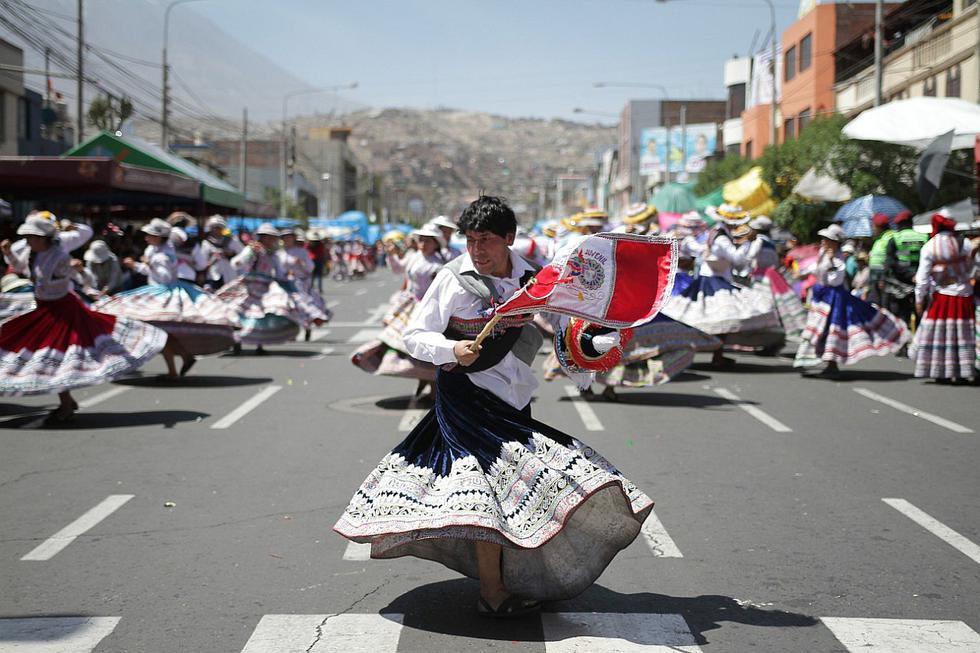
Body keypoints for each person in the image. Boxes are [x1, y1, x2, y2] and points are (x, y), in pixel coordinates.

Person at [335, 196, 655, 616]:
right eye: (470, 240)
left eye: (485, 240)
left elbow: (566, 328)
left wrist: (595, 342)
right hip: (465, 397)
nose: (477, 250)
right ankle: (492, 592)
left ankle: (516, 577)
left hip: (514, 398)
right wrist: (452, 348)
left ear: (509, 238)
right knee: (485, 493)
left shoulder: (534, 279)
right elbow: (415, 335)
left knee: (518, 489)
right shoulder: (452, 279)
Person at [0, 216, 166, 422]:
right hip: (45, 310)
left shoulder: (60, 256)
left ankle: (66, 404)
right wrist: (9, 254)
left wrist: (73, 271)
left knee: (57, 356)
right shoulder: (34, 254)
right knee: (37, 351)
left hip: (63, 311)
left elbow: (75, 282)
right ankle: (67, 401)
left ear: (42, 238)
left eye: (30, 237)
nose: (27, 241)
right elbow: (22, 269)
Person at [94, 218, 240, 379]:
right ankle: (181, 361)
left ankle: (175, 366)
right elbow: (152, 272)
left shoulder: (162, 256)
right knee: (161, 333)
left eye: (150, 235)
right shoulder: (156, 251)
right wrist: (137, 265)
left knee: (159, 333)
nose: (146, 237)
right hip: (160, 292)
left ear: (158, 237)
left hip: (163, 295)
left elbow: (164, 277)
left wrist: (146, 264)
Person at [661, 204, 781, 366]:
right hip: (714, 281)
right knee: (719, 317)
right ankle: (712, 353)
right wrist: (748, 243)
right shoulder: (721, 238)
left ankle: (716, 353)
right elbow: (737, 259)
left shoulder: (716, 233)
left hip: (716, 278)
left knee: (717, 318)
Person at [794, 224, 909, 377]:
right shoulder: (823, 254)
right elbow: (817, 269)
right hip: (822, 298)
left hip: (834, 299)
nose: (823, 241)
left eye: (826, 239)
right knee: (819, 328)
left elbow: (835, 280)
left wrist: (830, 262)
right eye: (823, 239)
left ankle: (831, 365)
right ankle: (820, 362)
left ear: (834, 243)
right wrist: (806, 272)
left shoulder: (839, 259)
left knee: (832, 330)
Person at [350, 225, 445, 395]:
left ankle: (432, 388)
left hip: (426, 308)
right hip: (409, 305)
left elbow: (439, 290)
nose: (423, 244)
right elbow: (399, 269)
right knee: (399, 340)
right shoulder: (414, 256)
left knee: (422, 345)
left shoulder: (437, 265)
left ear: (436, 244)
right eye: (421, 240)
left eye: (428, 241)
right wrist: (391, 254)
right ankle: (422, 381)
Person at [216, 223, 303, 354]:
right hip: (250, 283)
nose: (270, 240)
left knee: (264, 312)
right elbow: (238, 262)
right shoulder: (253, 249)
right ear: (261, 237)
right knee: (238, 310)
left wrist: (287, 278)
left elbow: (279, 271)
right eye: (267, 237)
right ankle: (236, 341)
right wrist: (244, 260)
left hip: (266, 285)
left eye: (272, 237)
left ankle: (259, 344)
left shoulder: (273, 254)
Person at [910, 214, 975, 383]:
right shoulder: (965, 244)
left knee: (940, 335)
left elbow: (922, 278)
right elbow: (973, 267)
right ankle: (963, 371)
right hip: (965, 295)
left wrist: (919, 299)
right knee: (962, 335)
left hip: (942, 297)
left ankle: (940, 371)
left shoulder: (930, 246)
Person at [277, 228, 331, 341]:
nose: (287, 240)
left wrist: (301, 264)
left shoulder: (302, 252)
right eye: (285, 238)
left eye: (289, 238)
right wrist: (285, 273)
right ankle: (291, 331)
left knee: (302, 305)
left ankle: (307, 327)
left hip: (300, 284)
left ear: (293, 239)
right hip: (284, 284)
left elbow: (310, 267)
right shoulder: (279, 254)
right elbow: (278, 269)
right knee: (287, 307)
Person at [885, 210, 928, 326]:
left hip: (900, 283)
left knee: (902, 317)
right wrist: (916, 275)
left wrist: (907, 275)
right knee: (920, 315)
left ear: (899, 224)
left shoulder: (895, 238)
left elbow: (890, 262)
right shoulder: (924, 237)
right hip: (920, 281)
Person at [199, 215, 243, 291]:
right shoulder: (206, 243)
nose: (216, 230)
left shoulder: (232, 240)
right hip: (213, 276)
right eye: (214, 228)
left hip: (230, 275)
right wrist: (213, 257)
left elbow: (242, 255)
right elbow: (203, 262)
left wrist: (230, 254)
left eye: (219, 228)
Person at [867, 213, 895, 306]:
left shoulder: (889, 237)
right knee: (875, 302)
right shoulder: (879, 238)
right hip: (875, 274)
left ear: (879, 226)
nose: (872, 228)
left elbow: (889, 258)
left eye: (873, 226)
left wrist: (884, 278)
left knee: (884, 302)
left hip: (883, 274)